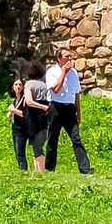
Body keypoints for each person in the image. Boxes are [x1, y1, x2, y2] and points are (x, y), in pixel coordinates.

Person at [44, 44, 94, 174]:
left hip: (70, 109)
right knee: (52, 139)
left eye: (71, 56)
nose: (70, 59)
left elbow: (76, 93)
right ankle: (49, 168)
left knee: (76, 139)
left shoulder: (74, 73)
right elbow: (55, 89)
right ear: (60, 59)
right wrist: (63, 73)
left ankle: (85, 169)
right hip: (56, 107)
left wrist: (78, 112)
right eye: (67, 56)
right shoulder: (52, 72)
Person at [20, 59, 54, 172]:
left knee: (37, 146)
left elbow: (29, 101)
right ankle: (38, 169)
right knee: (42, 142)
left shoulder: (29, 84)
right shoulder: (45, 85)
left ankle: (40, 171)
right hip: (46, 116)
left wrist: (41, 107)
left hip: (34, 117)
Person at [5, 77, 30, 170]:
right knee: (17, 153)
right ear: (12, 87)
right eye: (16, 84)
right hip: (15, 129)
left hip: (22, 130)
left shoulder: (24, 99)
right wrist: (11, 113)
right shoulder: (15, 100)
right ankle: (21, 170)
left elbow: (25, 114)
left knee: (20, 153)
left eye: (20, 84)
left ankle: (24, 171)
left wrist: (14, 110)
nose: (18, 86)